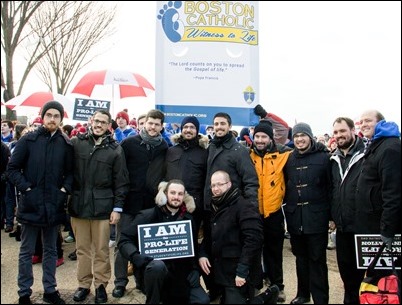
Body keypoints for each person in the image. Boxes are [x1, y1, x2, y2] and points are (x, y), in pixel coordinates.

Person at [7, 100, 74, 304]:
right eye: (49, 115)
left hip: (53, 205)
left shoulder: (66, 143)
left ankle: (50, 290)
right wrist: (27, 188)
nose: (52, 119)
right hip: (31, 205)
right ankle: (24, 292)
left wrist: (63, 191)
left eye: (56, 116)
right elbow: (12, 169)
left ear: (61, 119)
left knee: (51, 250)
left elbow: (71, 173)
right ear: (43, 117)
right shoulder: (28, 140)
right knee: (26, 251)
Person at [68, 109, 129, 304]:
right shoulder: (76, 143)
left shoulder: (115, 150)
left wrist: (117, 208)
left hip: (103, 208)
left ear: (108, 126)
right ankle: (83, 285)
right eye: (97, 120)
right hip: (79, 206)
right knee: (82, 249)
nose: (99, 124)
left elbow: (121, 182)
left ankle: (101, 284)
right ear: (91, 121)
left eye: (103, 122)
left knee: (102, 250)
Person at [118, 179, 210, 304]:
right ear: (165, 194)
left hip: (180, 274)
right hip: (155, 273)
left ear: (184, 197)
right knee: (157, 266)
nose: (176, 197)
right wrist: (136, 256)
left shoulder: (188, 220)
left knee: (203, 301)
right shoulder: (147, 216)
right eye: (173, 193)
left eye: (180, 194)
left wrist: (195, 269)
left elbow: (193, 246)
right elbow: (124, 239)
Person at [112, 109, 169, 298]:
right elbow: (119, 173)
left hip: (150, 205)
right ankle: (120, 282)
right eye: (150, 123)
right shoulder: (128, 144)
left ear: (162, 127)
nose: (152, 127)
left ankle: (140, 280)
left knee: (144, 244)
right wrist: (118, 202)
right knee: (123, 244)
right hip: (129, 202)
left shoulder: (164, 147)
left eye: (157, 124)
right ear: (144, 123)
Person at [283, 122, 331, 304]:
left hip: (317, 217)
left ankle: (321, 299)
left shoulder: (324, 157)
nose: (299, 139)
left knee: (317, 260)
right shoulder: (288, 159)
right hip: (295, 217)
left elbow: (330, 187)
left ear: (310, 137)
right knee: (300, 259)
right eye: (296, 136)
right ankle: (303, 294)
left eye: (303, 135)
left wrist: (331, 217)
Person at [199, 170, 264, 304]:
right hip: (219, 268)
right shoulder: (213, 206)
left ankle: (265, 297)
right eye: (213, 185)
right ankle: (218, 291)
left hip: (237, 271)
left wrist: (242, 270)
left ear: (229, 184)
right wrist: (202, 254)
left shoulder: (244, 207)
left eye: (220, 184)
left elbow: (253, 240)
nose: (216, 189)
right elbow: (209, 237)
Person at [249, 120, 292, 303]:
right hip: (253, 211)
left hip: (273, 211)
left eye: (263, 136)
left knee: (274, 251)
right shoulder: (247, 155)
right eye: (257, 136)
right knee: (253, 250)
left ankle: (278, 285)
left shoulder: (283, 154)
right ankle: (257, 284)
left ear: (270, 137)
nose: (260, 140)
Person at [329, 116, 366, 304]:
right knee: (346, 274)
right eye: (335, 132)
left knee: (364, 277)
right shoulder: (333, 158)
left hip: (363, 227)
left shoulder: (367, 155)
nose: (338, 135)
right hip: (342, 227)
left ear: (353, 130)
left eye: (342, 131)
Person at [355, 110, 401, 250]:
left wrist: (387, 230)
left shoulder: (390, 148)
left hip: (381, 228)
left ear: (381, 122)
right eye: (361, 122)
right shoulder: (375, 145)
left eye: (368, 121)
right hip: (371, 224)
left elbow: (393, 193)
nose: (363, 125)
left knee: (387, 272)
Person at [164, 116, 208, 233]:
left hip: (193, 206)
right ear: (181, 129)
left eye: (192, 127)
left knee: (191, 240)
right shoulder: (171, 151)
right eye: (186, 127)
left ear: (197, 131)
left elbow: (206, 181)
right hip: (170, 203)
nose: (188, 130)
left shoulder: (204, 154)